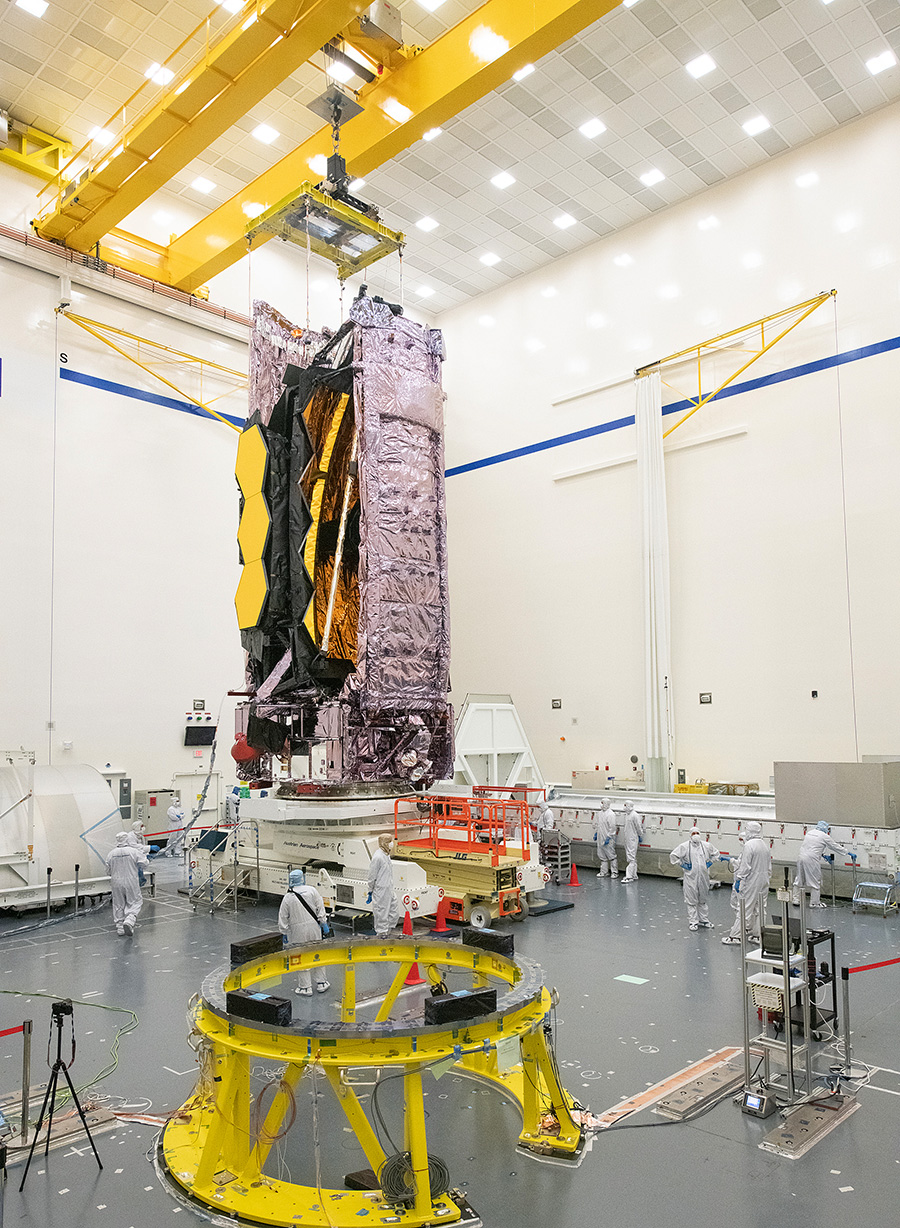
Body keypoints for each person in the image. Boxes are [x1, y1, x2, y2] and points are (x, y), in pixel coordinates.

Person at [278, 868, 331, 996]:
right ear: (303, 878)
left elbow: (283, 916)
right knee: (317, 953)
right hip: (314, 927)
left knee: (300, 956)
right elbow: (320, 907)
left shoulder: (288, 897)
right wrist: (323, 923)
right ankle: (321, 983)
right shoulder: (312, 890)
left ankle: (305, 987)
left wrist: (284, 932)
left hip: (297, 931)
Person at [721, 822, 772, 944]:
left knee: (745, 908)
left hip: (752, 881)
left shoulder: (749, 845)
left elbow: (745, 867)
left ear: (750, 830)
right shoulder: (764, 845)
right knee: (760, 909)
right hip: (764, 881)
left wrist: (739, 879)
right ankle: (757, 935)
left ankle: (735, 936)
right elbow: (769, 866)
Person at [670, 826, 721, 931]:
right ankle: (693, 922)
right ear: (690, 835)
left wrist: (710, 862)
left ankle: (704, 920)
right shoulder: (684, 846)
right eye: (693, 833)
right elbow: (673, 856)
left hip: (703, 877)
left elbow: (716, 854)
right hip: (690, 877)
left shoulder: (706, 846)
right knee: (691, 900)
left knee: (702, 899)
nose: (696, 835)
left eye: (697, 833)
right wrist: (682, 864)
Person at [793, 820, 847, 908]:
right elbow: (834, 846)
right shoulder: (824, 836)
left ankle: (796, 899)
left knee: (799, 879)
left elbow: (812, 846)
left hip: (801, 857)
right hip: (812, 860)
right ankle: (814, 903)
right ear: (825, 828)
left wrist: (822, 855)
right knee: (815, 881)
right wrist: (847, 852)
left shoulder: (810, 833)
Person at [106, 831, 149, 936]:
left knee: (118, 903)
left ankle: (120, 927)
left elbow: (108, 871)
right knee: (135, 901)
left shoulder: (111, 854)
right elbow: (144, 864)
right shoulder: (133, 851)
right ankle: (129, 920)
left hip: (116, 881)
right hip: (131, 881)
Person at [367, 833, 401, 937]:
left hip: (389, 889)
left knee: (394, 912)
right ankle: (381, 935)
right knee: (381, 913)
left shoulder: (386, 855)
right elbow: (372, 876)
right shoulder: (378, 857)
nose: (392, 844)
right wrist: (370, 890)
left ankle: (388, 933)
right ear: (383, 843)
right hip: (381, 890)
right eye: (389, 842)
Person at [593, 798, 618, 878]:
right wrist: (596, 833)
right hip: (600, 837)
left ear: (607, 804)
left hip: (608, 838)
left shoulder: (611, 814)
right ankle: (604, 872)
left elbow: (613, 827)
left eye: (603, 803)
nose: (601, 805)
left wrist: (609, 837)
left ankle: (614, 872)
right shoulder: (599, 814)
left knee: (611, 855)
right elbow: (598, 825)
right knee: (602, 855)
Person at [621, 800, 644, 883]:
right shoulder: (627, 815)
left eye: (625, 805)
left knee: (631, 857)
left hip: (632, 839)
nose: (624, 807)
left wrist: (640, 834)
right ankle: (634, 875)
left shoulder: (635, 815)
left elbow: (638, 826)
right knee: (632, 857)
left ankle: (629, 876)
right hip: (628, 838)